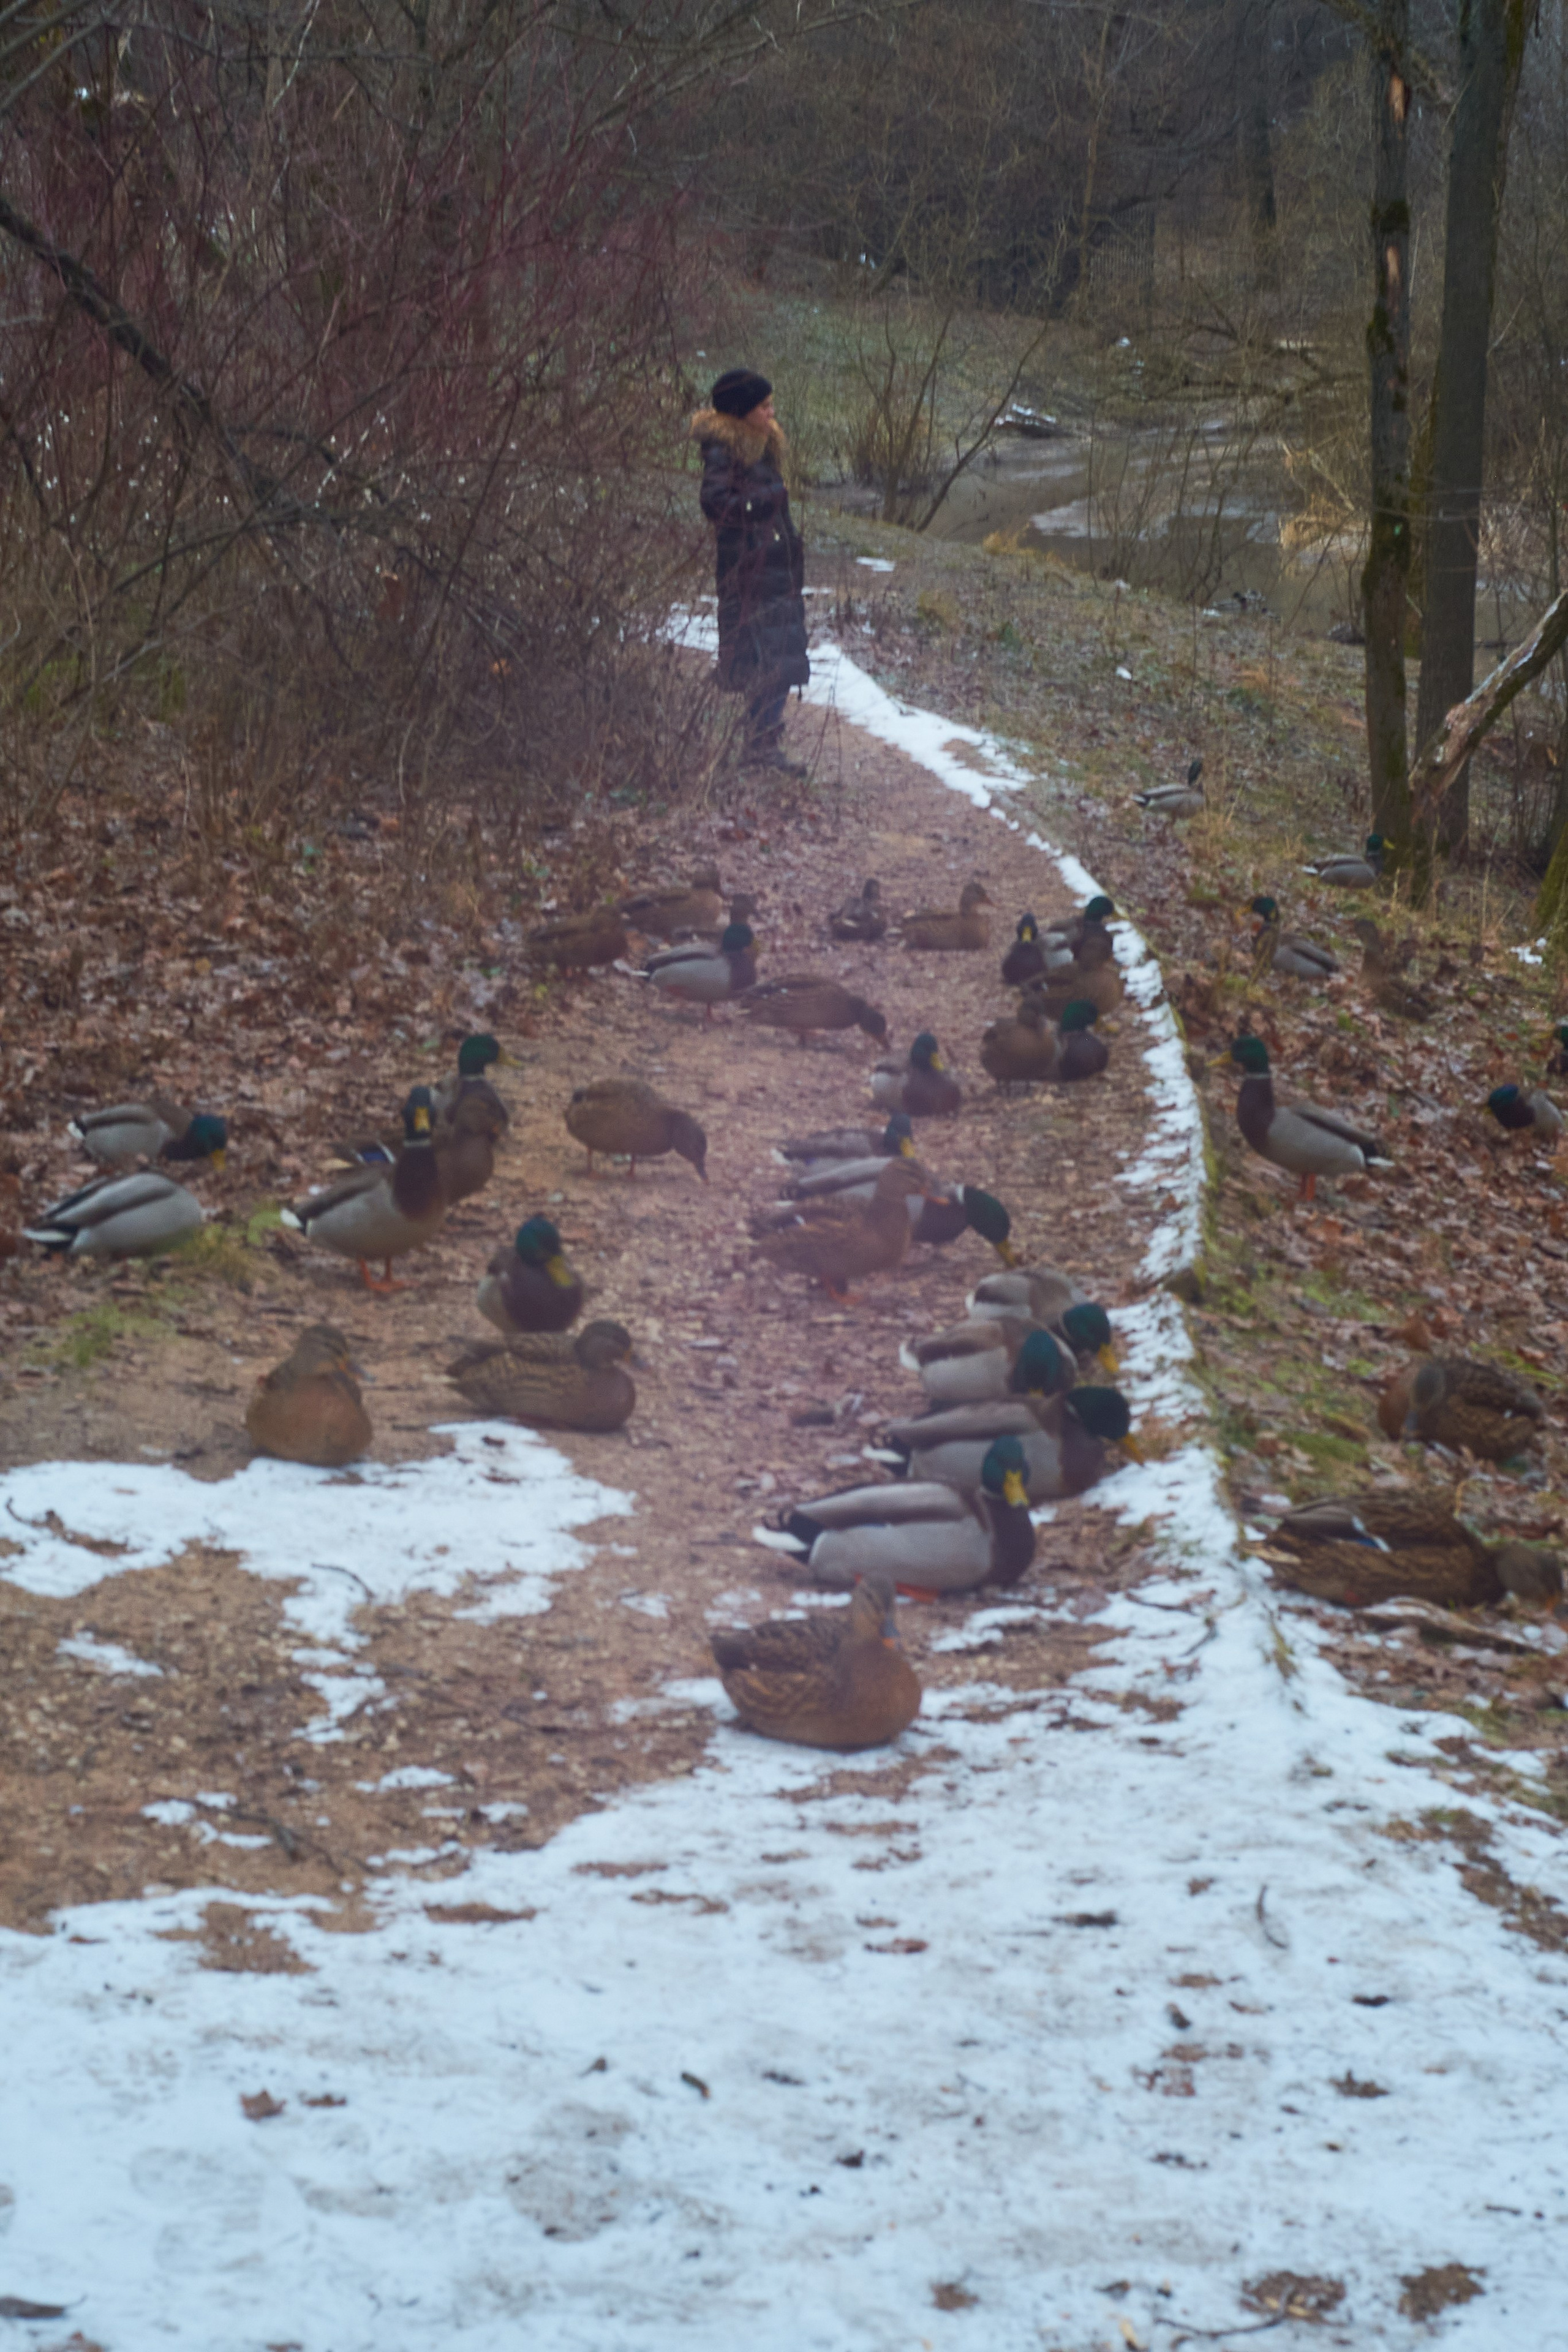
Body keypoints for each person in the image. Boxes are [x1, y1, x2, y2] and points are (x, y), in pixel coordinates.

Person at [692, 369, 810, 772]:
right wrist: (764, 501)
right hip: (749, 571)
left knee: (778, 656)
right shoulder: (725, 451)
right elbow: (716, 503)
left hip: (772, 569)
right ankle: (759, 747)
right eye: (764, 406)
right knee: (766, 657)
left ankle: (762, 743)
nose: (772, 412)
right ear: (742, 411)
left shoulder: (761, 447)